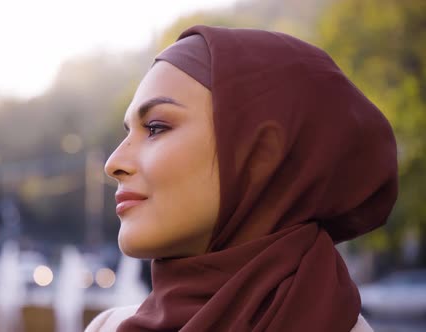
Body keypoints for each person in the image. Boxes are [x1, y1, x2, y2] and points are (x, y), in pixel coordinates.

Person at [87, 25, 397, 332]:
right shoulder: (106, 327)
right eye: (129, 132)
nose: (114, 164)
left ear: (261, 154)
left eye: (155, 128)